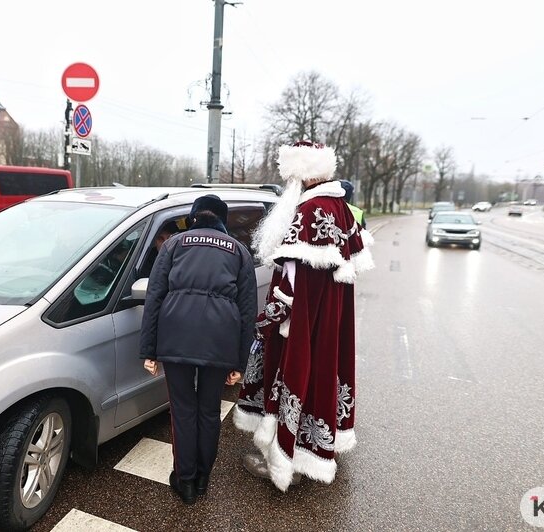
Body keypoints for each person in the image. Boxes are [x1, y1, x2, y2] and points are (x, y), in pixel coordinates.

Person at [234, 140, 374, 491]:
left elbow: (291, 287)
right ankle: (310, 453)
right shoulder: (341, 208)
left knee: (295, 379)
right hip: (329, 322)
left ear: (300, 177)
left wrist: (265, 320)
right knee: (321, 379)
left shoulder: (309, 211)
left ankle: (284, 462)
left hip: (299, 326)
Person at [139, 194, 257, 505]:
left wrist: (148, 349)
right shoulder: (240, 252)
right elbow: (248, 312)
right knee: (208, 411)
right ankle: (204, 477)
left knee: (182, 411)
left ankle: (185, 481)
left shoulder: (175, 245)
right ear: (222, 219)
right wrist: (240, 362)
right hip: (220, 344)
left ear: (193, 217)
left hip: (175, 337)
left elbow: (154, 298)